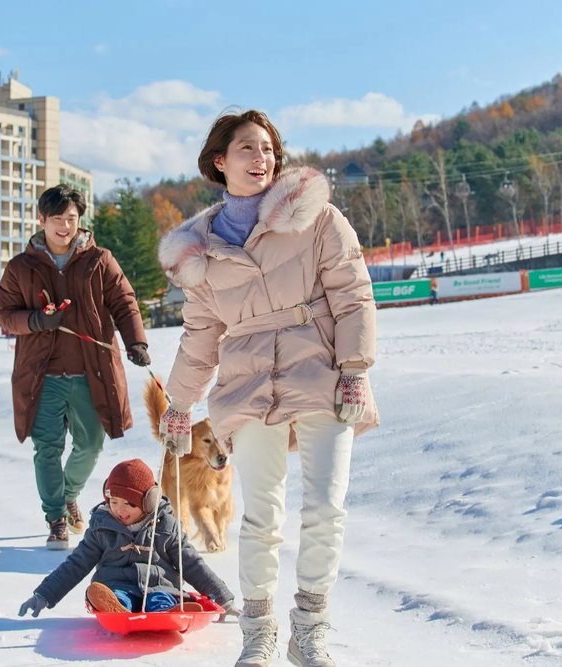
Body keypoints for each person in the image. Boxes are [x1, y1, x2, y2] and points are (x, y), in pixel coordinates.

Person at [157, 110, 379, 667]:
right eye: (248, 149)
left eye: (268, 149)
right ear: (220, 161)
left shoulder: (317, 217)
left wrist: (354, 368)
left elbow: (353, 293)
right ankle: (258, 635)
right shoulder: (200, 251)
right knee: (261, 516)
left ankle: (309, 631)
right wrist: (179, 404)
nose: (262, 159)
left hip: (322, 374)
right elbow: (200, 337)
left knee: (326, 509)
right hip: (248, 384)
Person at [0, 184, 151, 551]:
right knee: (47, 448)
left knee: (91, 444)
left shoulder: (99, 259)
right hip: (42, 377)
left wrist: (137, 342)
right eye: (57, 219)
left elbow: (124, 301)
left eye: (71, 219)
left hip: (90, 373)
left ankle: (67, 494)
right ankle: (56, 518)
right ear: (41, 220)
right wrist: (36, 320)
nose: (65, 227)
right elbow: (4, 315)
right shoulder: (21, 267)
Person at [17, 458, 235, 618]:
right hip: (116, 585)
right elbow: (76, 565)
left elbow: (192, 564)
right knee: (116, 595)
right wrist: (44, 595)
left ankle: (169, 611)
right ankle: (116, 608)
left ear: (148, 502)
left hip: (160, 586)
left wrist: (223, 599)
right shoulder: (102, 528)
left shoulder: (166, 527)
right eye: (113, 502)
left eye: (129, 504)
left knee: (160, 598)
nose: (120, 510)